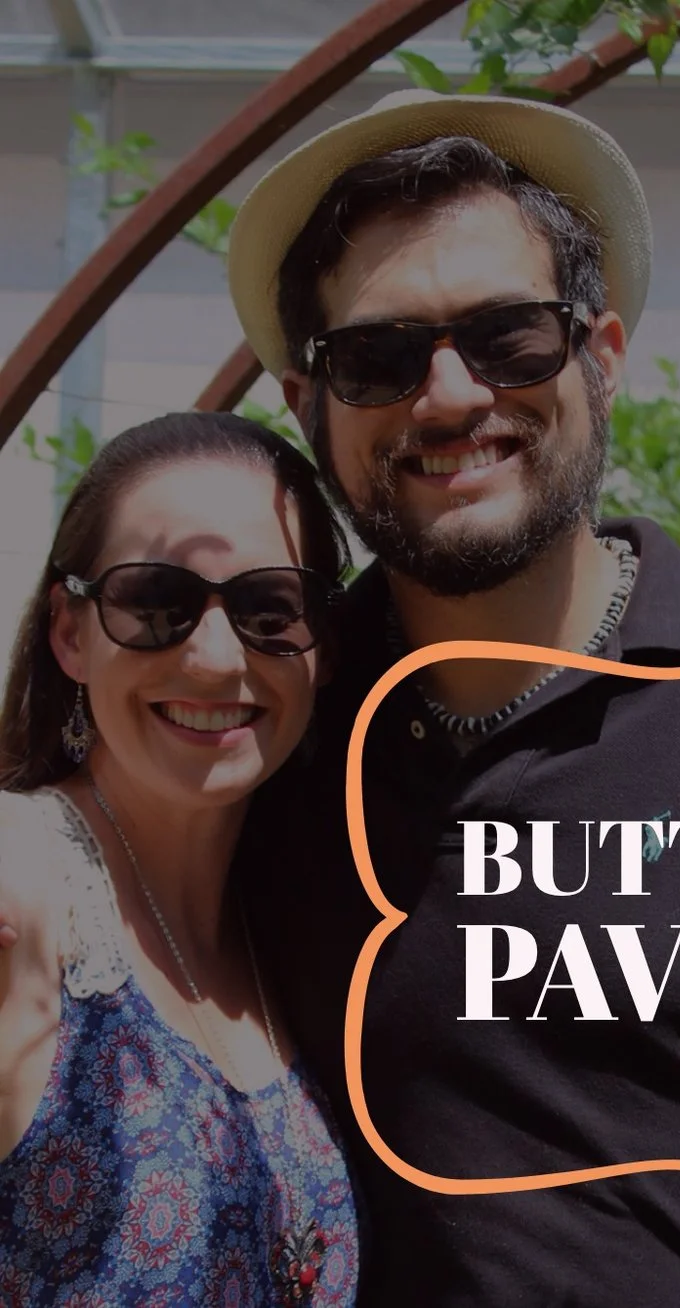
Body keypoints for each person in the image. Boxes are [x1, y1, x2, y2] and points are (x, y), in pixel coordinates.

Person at [223, 90, 680, 1305]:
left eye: (508, 338)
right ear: (308, 405)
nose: (448, 399)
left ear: (599, 356)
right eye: (380, 359)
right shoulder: (267, 733)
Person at [0, 411, 359, 1305]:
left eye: (271, 610)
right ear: (70, 633)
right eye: (155, 603)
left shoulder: (289, 922)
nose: (212, 658)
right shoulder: (27, 881)